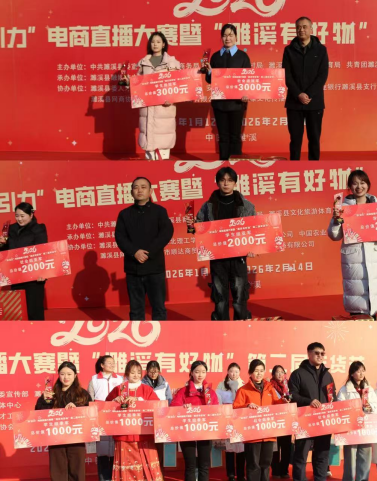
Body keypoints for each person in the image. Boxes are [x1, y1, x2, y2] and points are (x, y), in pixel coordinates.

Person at [190, 167, 256, 320]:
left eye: (230, 180)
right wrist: (192, 226)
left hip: (239, 257)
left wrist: (253, 247)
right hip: (217, 258)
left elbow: (254, 229)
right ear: (217, 182)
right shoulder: (208, 206)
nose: (226, 183)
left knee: (240, 297)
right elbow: (198, 227)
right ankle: (221, 327)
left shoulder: (247, 206)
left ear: (235, 183)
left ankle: (241, 326)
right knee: (220, 298)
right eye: (222, 180)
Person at [328, 170, 377, 317]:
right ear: (350, 187)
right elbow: (334, 236)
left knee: (376, 301)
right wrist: (336, 221)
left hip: (375, 257)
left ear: (368, 185)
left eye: (362, 183)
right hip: (354, 259)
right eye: (355, 183)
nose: (359, 187)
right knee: (357, 302)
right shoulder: (342, 208)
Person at [115, 177, 174, 320]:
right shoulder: (124, 214)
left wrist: (148, 253)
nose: (139, 190)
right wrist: (134, 252)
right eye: (136, 187)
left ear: (150, 191)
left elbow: (166, 233)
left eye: (143, 187)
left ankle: (160, 334)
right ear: (131, 192)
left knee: (159, 308)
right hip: (133, 269)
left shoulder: (160, 211)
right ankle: (137, 334)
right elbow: (120, 237)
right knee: (136, 310)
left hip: (155, 268)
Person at [123, 32, 181, 160]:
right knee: (149, 150)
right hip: (147, 109)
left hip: (164, 108)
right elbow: (138, 85)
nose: (155, 44)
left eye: (158, 42)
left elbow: (178, 84)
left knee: (163, 148)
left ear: (164, 44)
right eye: (153, 42)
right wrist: (128, 83)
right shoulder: (144, 63)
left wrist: (171, 98)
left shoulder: (171, 63)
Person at [106, 360, 164, 481]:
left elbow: (157, 405)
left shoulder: (147, 389)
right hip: (124, 434)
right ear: (127, 373)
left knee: (146, 466)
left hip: (143, 434)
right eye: (132, 372)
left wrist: (139, 400)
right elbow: (106, 407)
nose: (136, 375)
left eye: (138, 372)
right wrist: (114, 401)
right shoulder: (119, 389)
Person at [288, 342, 337, 481]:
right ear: (309, 354)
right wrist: (308, 401)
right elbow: (292, 395)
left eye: (323, 353)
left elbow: (332, 394)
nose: (320, 356)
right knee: (301, 456)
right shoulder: (298, 374)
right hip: (305, 421)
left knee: (322, 455)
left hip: (323, 421)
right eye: (317, 353)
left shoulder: (327, 375)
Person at [35, 361, 91, 481]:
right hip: (56, 437)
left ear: (75, 375)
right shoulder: (51, 394)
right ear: (58, 375)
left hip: (76, 437)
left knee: (77, 469)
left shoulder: (82, 394)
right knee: (58, 469)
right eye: (62, 374)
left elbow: (91, 413)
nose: (66, 377)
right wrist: (44, 400)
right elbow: (39, 415)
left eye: (69, 374)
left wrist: (77, 408)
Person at [282, 17, 329, 160]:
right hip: (294, 102)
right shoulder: (289, 50)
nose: (301, 30)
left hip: (314, 102)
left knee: (314, 139)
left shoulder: (321, 50)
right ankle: (294, 167)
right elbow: (286, 75)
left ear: (311, 29)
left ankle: (313, 168)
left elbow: (322, 75)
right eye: (298, 27)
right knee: (295, 140)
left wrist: (308, 94)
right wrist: (298, 94)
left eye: (304, 27)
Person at [202, 24, 251, 160]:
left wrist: (246, 94)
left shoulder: (243, 57)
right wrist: (209, 72)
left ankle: (236, 165)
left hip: (237, 103)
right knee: (223, 136)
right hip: (220, 104)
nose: (227, 38)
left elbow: (248, 79)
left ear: (236, 37)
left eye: (230, 35)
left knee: (235, 136)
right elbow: (209, 80)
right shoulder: (215, 57)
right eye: (224, 35)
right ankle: (223, 164)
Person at [234, 360, 287, 481]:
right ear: (250, 372)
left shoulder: (269, 388)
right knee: (253, 465)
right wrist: (247, 406)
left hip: (268, 433)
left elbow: (276, 404)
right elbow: (235, 409)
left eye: (261, 371)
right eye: (256, 371)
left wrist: (283, 401)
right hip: (252, 434)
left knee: (266, 464)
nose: (259, 374)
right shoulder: (243, 390)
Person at [171, 361, 219, 481]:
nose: (200, 375)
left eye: (203, 372)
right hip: (187, 431)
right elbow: (173, 408)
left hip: (205, 431)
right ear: (191, 373)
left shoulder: (210, 393)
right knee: (190, 465)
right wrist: (183, 408)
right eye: (197, 372)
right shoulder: (183, 391)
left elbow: (216, 410)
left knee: (204, 465)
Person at [0, 202, 48, 320]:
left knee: (34, 311)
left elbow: (43, 251)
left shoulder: (39, 229)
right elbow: (6, 253)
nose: (19, 219)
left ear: (31, 215)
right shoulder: (11, 229)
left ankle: (37, 331)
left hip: (34, 276)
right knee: (17, 311)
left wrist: (43, 272)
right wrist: (2, 244)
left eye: (22, 216)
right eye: (17, 216)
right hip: (16, 275)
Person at [337, 361, 377, 481]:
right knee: (350, 457)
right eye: (358, 371)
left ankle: (363, 479)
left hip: (366, 427)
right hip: (351, 427)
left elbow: (376, 404)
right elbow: (340, 405)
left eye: (363, 370)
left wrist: (370, 407)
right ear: (352, 373)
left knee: (365, 455)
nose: (361, 373)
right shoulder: (345, 389)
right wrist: (352, 409)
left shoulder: (368, 389)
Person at [87, 355, 123, 481]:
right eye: (109, 363)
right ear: (102, 365)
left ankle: (115, 478)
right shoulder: (94, 379)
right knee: (102, 451)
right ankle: (104, 478)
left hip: (116, 418)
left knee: (116, 450)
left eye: (113, 363)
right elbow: (90, 399)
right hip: (100, 418)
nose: (112, 365)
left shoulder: (120, 379)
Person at [216, 362, 246, 481]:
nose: (234, 374)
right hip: (227, 419)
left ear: (239, 373)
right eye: (232, 371)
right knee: (229, 449)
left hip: (240, 419)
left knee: (241, 448)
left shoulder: (243, 385)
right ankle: (231, 474)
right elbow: (218, 402)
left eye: (236, 372)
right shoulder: (221, 385)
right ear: (228, 372)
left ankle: (241, 474)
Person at [270, 365, 292, 479]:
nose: (280, 374)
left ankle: (284, 470)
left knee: (286, 446)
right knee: (275, 447)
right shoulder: (269, 386)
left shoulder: (288, 386)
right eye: (277, 372)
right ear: (273, 374)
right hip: (274, 420)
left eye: (282, 372)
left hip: (286, 420)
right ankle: (275, 470)